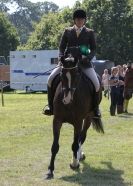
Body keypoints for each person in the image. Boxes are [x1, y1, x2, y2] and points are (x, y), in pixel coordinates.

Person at [43, 9, 101, 118]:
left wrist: (87, 57)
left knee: (97, 84)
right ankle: (50, 107)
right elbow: (61, 47)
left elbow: (93, 49)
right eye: (78, 19)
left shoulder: (89, 32)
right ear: (74, 20)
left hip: (84, 64)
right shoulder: (67, 31)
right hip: (67, 63)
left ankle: (95, 109)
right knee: (50, 79)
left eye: (82, 19)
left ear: (84, 20)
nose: (80, 21)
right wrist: (61, 57)